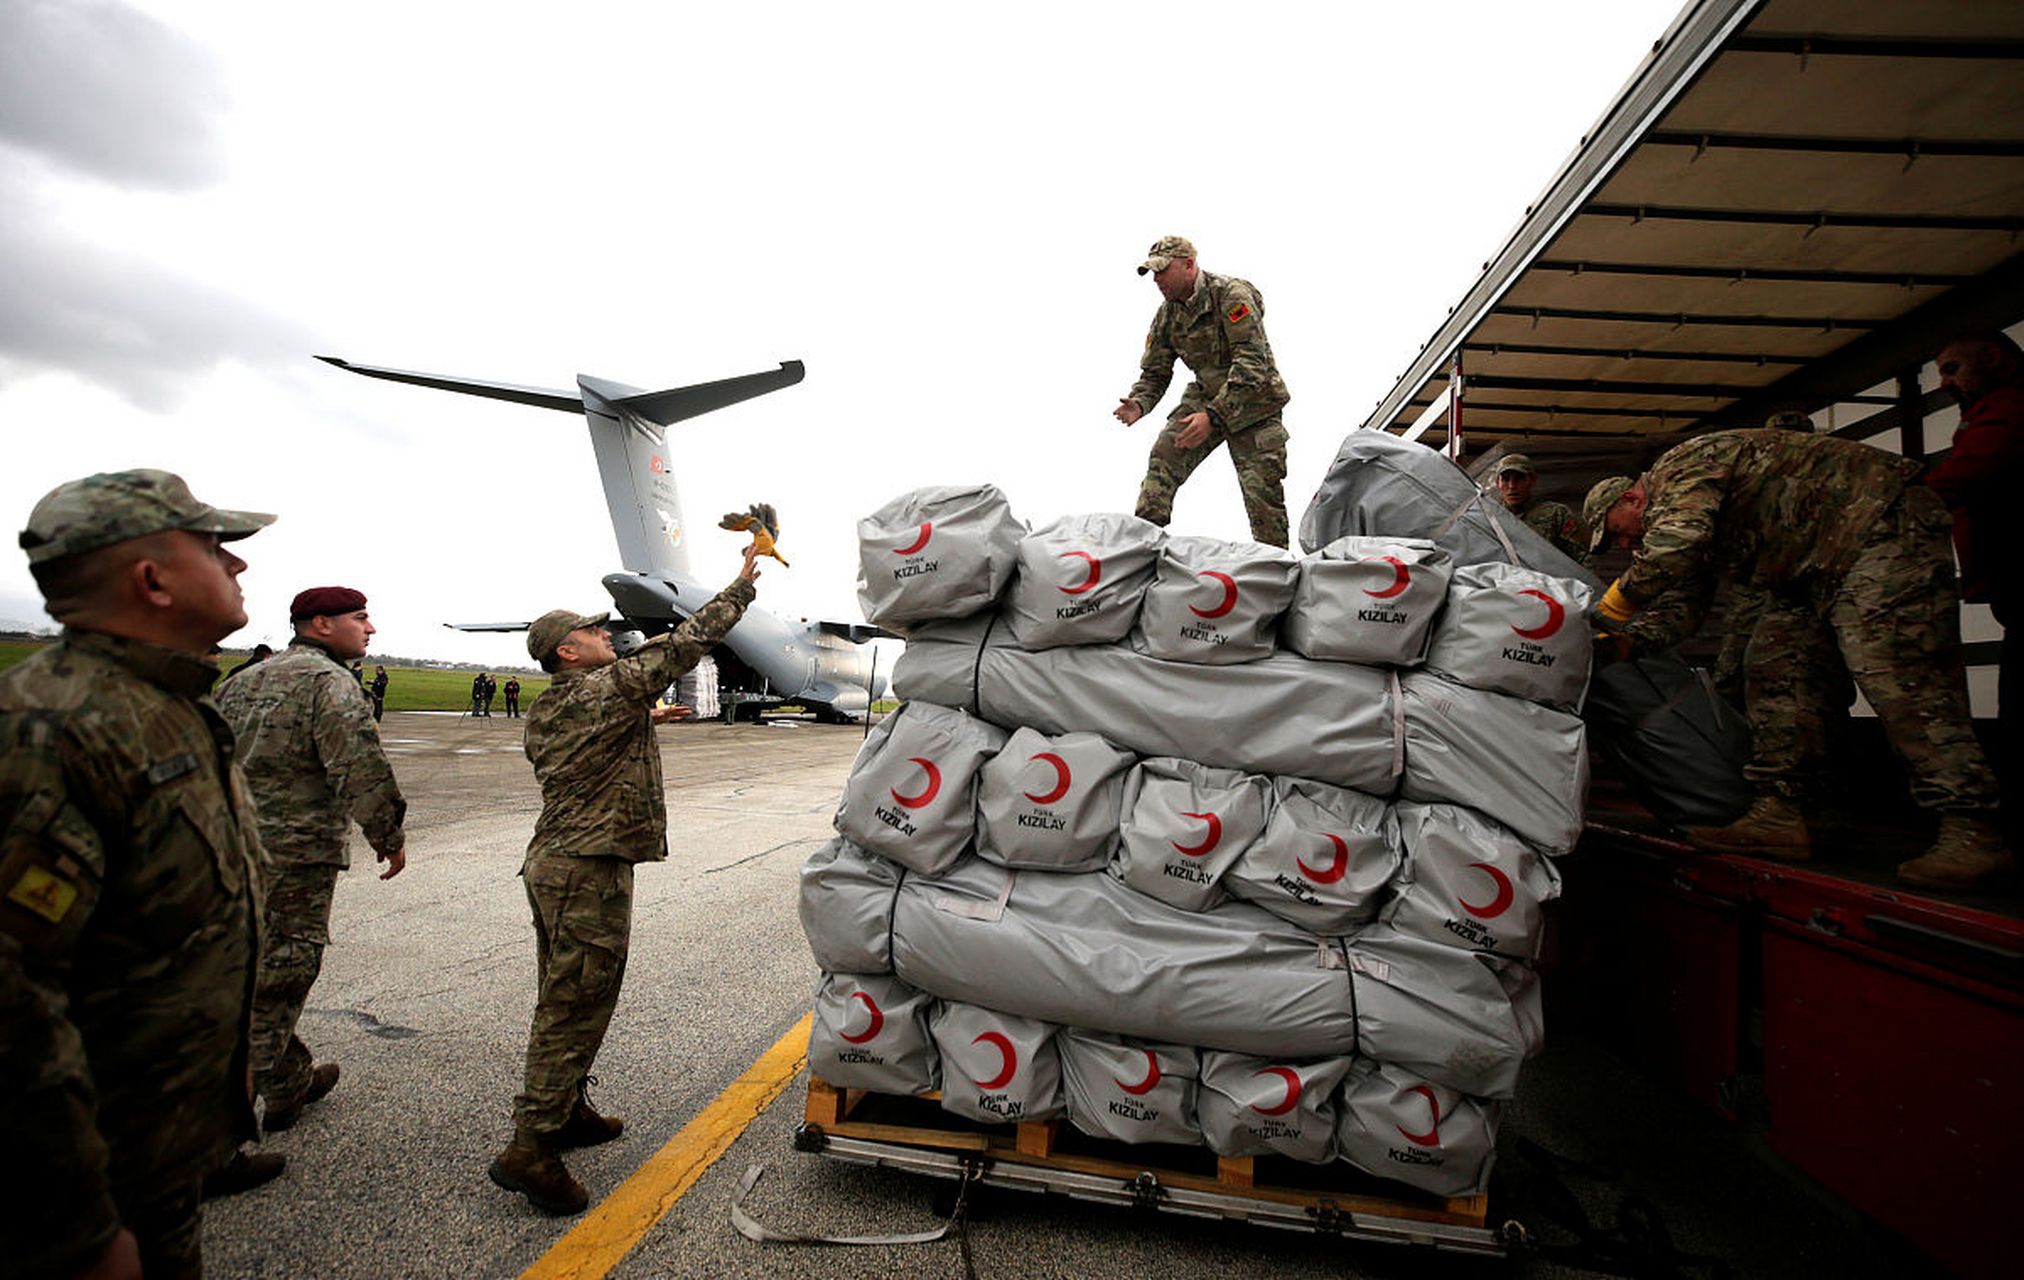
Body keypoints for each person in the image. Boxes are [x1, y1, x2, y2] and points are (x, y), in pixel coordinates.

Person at [1, 469, 270, 1278]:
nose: (237, 565)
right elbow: (13, 1000)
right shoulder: (52, 729)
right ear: (151, 579)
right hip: (99, 1170)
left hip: (161, 1141)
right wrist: (77, 1228)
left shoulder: (166, 704)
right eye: (215, 547)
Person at [1583, 428, 2012, 888]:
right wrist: (1627, 645)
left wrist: (1610, 609)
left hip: (1879, 530)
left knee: (1901, 678)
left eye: (1617, 534)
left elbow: (1676, 545)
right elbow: (1683, 604)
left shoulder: (1684, 468)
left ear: (1632, 500)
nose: (1626, 547)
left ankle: (1972, 829)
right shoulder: (1686, 521)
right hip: (1807, 571)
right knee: (1774, 667)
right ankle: (1781, 813)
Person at [488, 544, 761, 1215]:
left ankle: (570, 1109)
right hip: (588, 870)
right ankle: (531, 1147)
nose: (605, 633)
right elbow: (687, 642)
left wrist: (645, 716)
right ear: (566, 654)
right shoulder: (609, 688)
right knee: (574, 1005)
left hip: (552, 864)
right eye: (591, 631)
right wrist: (741, 585)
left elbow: (595, 735)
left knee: (568, 992)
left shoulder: (553, 707)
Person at [217, 587, 408, 1137]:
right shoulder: (330, 684)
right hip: (295, 854)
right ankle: (220, 1139)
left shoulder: (242, 680)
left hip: (232, 848)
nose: (370, 629)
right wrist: (387, 833)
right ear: (320, 625)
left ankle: (289, 1077)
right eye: (360, 618)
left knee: (250, 967)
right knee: (286, 970)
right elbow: (358, 763)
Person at [1113, 235, 1292, 548]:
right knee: (1164, 457)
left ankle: (1275, 572)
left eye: (1162, 271)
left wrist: (1213, 416)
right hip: (1206, 396)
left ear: (1188, 265)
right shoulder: (1167, 316)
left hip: (1254, 403)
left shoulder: (1231, 295)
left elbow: (1252, 362)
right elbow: (1155, 372)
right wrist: (1139, 403)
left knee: (1263, 498)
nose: (1156, 280)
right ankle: (1141, 551)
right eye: (1152, 273)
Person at [1922, 331, 2024, 834]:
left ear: (1992, 357)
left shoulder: (2009, 407)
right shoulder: (1991, 409)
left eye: (1952, 367)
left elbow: (1969, 471)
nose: (1944, 383)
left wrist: (1896, 497)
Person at [1489, 453, 1587, 561]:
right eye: (1506, 480)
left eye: (1519, 479)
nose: (1512, 486)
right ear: (1497, 483)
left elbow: (1583, 556)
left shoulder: (1556, 515)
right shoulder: (1489, 517)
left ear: (1532, 480)